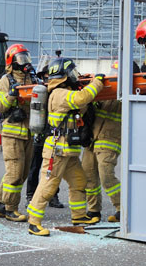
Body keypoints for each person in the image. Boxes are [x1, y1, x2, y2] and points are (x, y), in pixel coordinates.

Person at [26, 58, 104, 236]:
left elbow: (81, 105)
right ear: (64, 76)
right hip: (57, 150)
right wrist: (97, 82)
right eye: (72, 73)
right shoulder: (59, 93)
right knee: (48, 185)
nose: (74, 76)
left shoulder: (65, 93)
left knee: (79, 181)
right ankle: (34, 222)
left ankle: (79, 216)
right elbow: (82, 98)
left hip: (68, 151)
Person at [0, 44, 35, 223]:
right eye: (21, 58)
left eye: (26, 58)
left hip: (29, 133)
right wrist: (11, 95)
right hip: (12, 134)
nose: (25, 62)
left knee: (22, 173)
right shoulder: (6, 80)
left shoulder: (32, 78)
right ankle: (11, 209)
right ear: (12, 62)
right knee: (14, 173)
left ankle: (1, 205)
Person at [25, 57, 63, 209]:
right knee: (35, 167)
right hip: (40, 134)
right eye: (45, 76)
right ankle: (30, 196)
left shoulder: (58, 90)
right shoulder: (39, 90)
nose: (48, 79)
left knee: (53, 168)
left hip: (53, 134)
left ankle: (53, 196)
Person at [82, 99, 122, 223]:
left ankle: (123, 208)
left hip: (110, 140)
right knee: (88, 175)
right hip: (92, 139)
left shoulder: (123, 95)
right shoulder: (103, 94)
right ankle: (94, 210)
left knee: (106, 176)